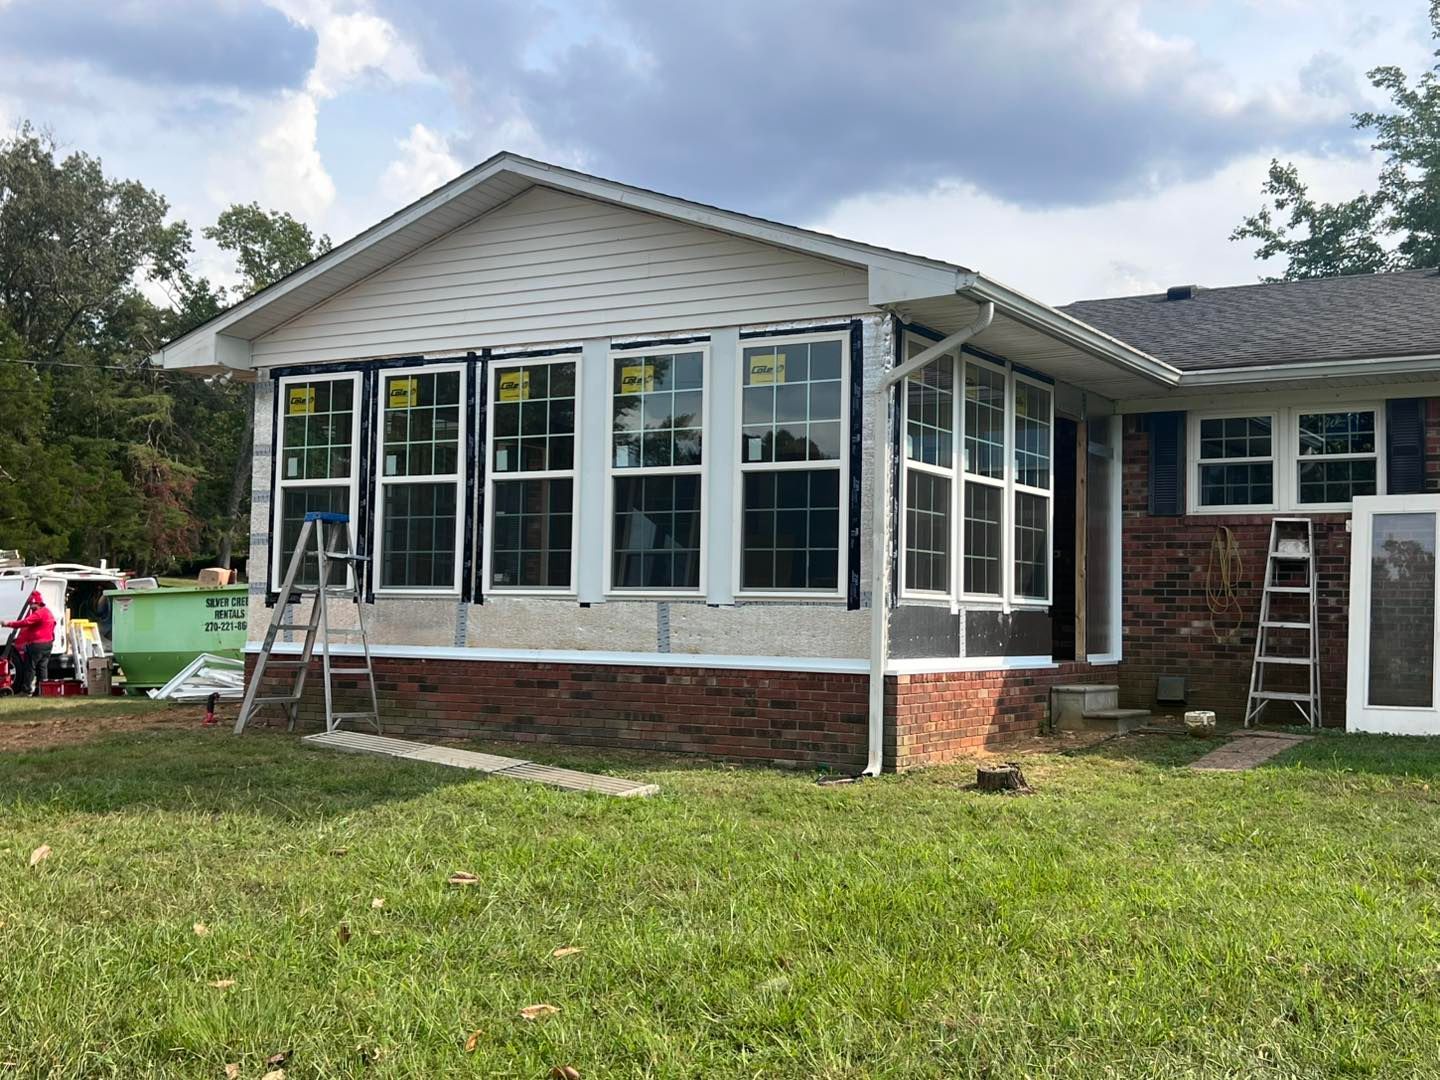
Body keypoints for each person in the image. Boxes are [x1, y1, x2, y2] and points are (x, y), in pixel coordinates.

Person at [4, 591, 56, 696]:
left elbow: (25, 622)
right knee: (42, 668)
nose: (31, 607)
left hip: (37, 645)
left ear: (36, 603)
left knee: (30, 667)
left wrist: (8, 624)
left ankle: (26, 690)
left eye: (31, 605)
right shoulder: (48, 612)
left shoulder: (39, 613)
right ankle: (41, 690)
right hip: (47, 644)